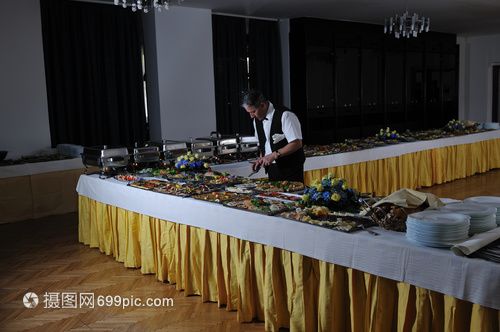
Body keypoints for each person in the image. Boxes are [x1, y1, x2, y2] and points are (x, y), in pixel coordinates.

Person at [241, 89, 306, 183]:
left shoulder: (285, 115)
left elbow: (297, 143)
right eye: (249, 113)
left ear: (262, 105)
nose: (251, 116)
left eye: (253, 111)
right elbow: (265, 144)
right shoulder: (256, 120)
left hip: (290, 169)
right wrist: (260, 159)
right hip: (272, 170)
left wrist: (274, 155)